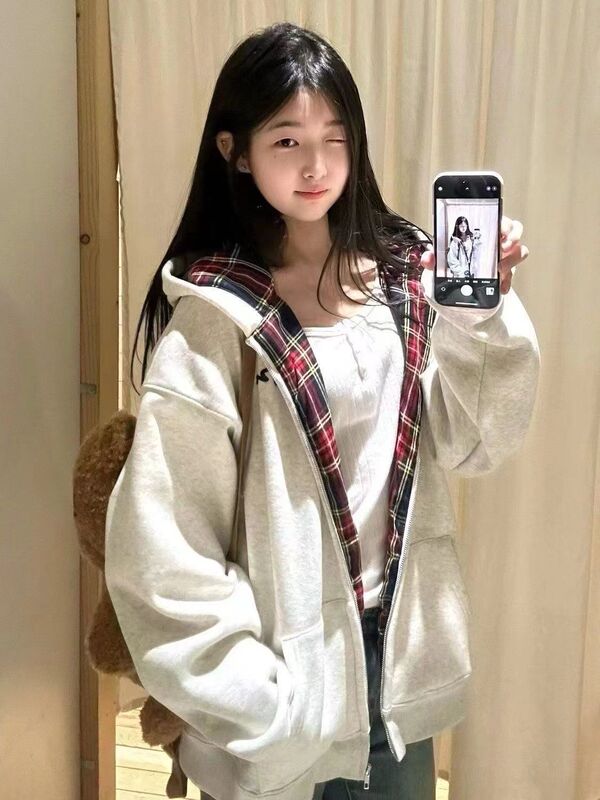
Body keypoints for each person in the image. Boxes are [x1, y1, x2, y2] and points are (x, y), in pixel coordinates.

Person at [104, 21, 539, 800]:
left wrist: (481, 314)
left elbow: (476, 440)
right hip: (286, 678)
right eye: (287, 141)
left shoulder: (404, 277)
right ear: (235, 151)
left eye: (335, 139)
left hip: (400, 665)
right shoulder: (218, 316)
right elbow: (162, 549)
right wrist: (265, 703)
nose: (316, 166)